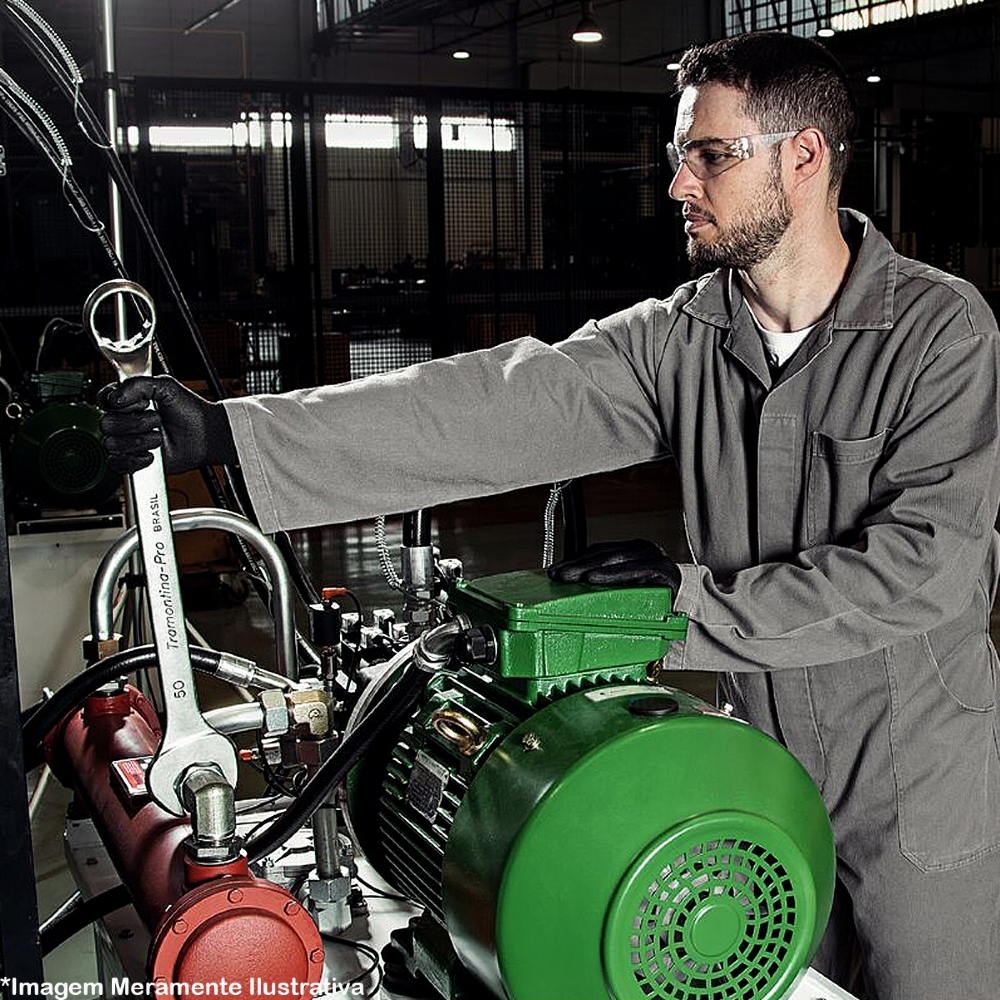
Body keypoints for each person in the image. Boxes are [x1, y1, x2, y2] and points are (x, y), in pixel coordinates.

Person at [100, 31, 1000, 1000]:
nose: (678, 184)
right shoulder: (687, 336)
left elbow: (925, 567)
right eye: (679, 156)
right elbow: (495, 402)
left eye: (710, 154)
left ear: (804, 155)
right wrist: (233, 431)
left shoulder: (937, 332)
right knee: (760, 979)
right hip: (755, 755)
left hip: (915, 766)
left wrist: (679, 605)